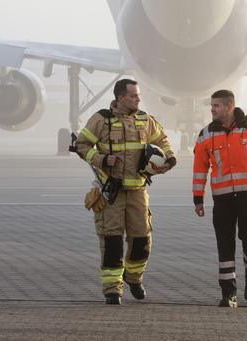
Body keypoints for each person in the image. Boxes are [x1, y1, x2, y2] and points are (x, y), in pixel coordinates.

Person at [74, 79, 176, 305]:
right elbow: (82, 145)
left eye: (138, 95)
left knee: (142, 241)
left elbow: (162, 141)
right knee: (112, 242)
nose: (138, 99)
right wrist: (101, 159)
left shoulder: (145, 120)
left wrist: (170, 159)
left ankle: (134, 278)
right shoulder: (101, 120)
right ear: (120, 98)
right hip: (112, 192)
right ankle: (112, 290)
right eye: (133, 96)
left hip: (139, 191)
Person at [192, 90, 247, 308]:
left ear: (229, 107)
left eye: (216, 106)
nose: (212, 109)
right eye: (211, 105)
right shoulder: (206, 134)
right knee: (224, 246)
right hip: (222, 200)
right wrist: (198, 198)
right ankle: (228, 294)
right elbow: (200, 168)